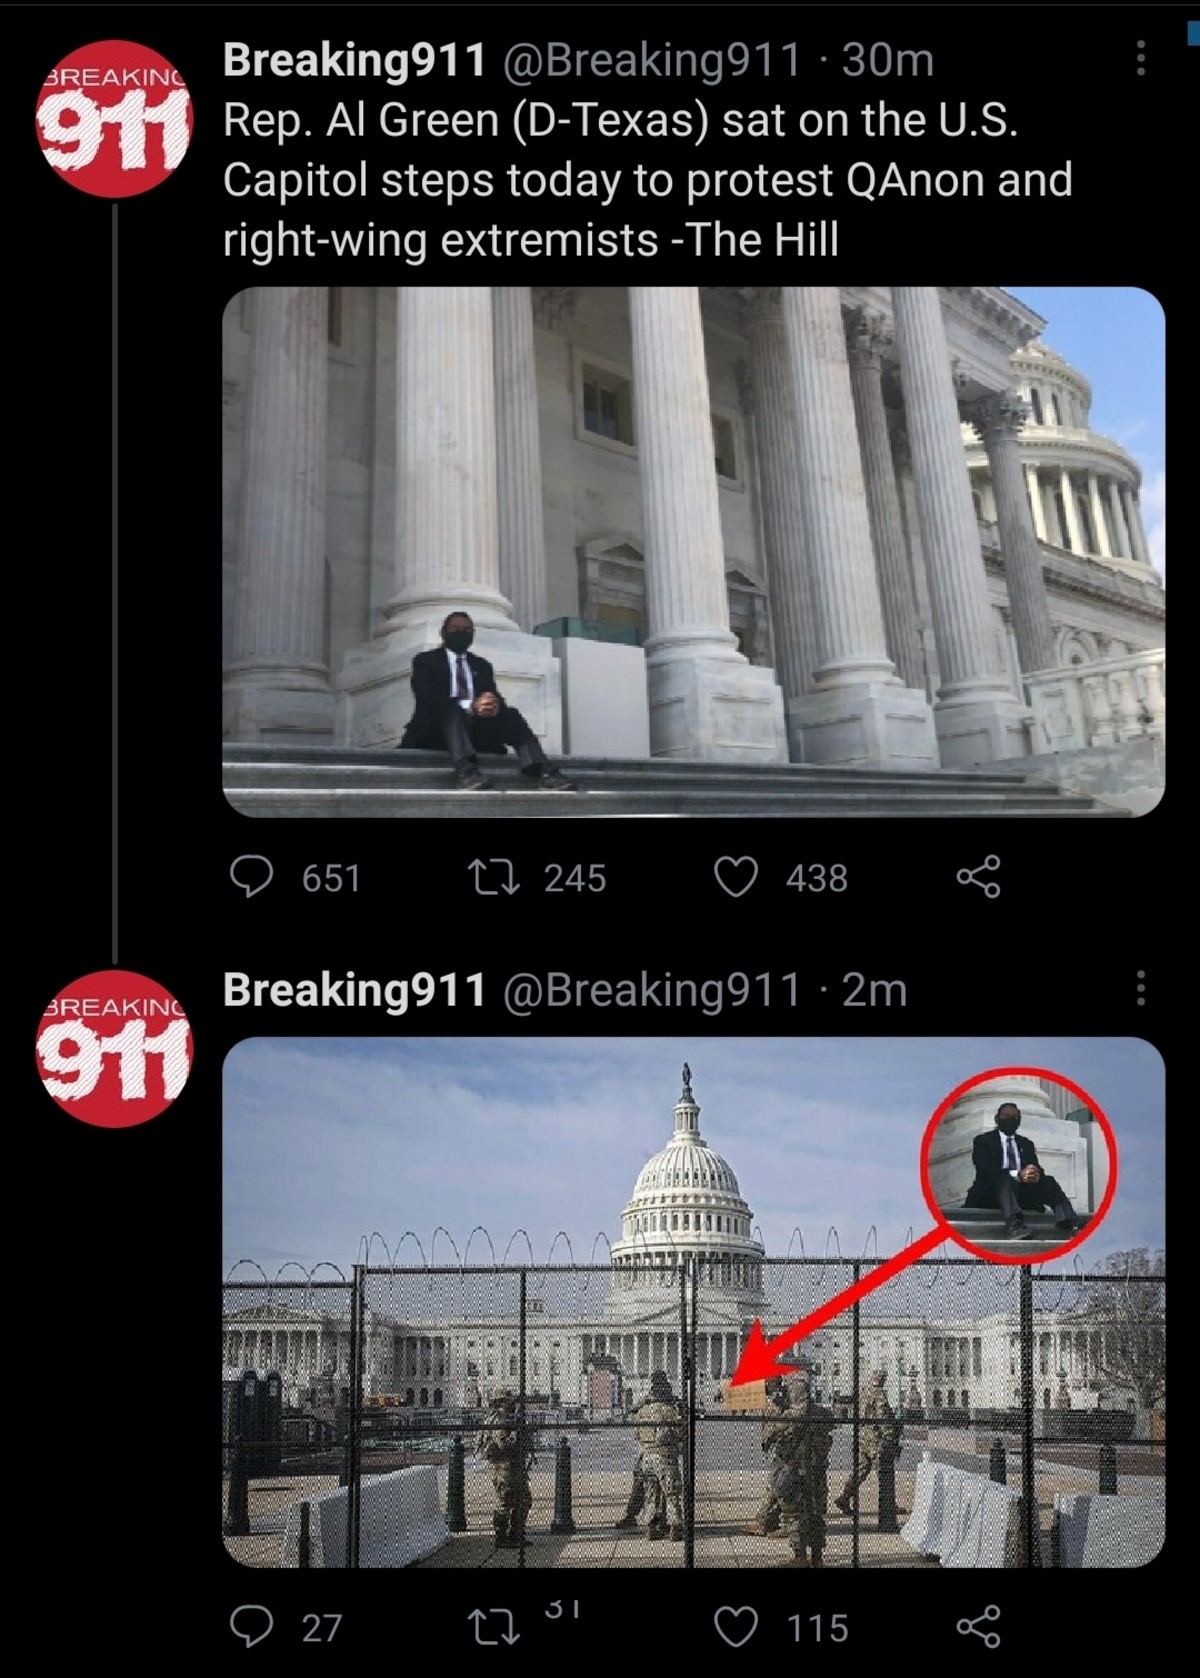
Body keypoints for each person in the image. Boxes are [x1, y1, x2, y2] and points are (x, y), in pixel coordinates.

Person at [398, 611, 577, 791]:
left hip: (476, 732)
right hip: (436, 732)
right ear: (443, 633)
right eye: (455, 629)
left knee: (511, 713)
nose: (461, 633)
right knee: (452, 708)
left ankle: (542, 770)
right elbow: (427, 699)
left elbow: (492, 695)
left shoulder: (481, 665)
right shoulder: (426, 661)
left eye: (467, 630)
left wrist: (494, 706)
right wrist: (470, 706)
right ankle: (466, 772)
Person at [963, 1101, 1085, 1240]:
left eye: (1015, 1117)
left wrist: (1035, 1174)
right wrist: (1017, 1175)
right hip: (991, 1195)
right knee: (1004, 1176)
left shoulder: (1026, 1143)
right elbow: (984, 1171)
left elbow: (1035, 1167)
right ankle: (1014, 1226)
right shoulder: (983, 1141)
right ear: (997, 1119)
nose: (1011, 1120)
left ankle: (1070, 1223)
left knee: (1048, 1180)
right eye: (1007, 1116)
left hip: (1021, 1195)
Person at [762, 1368, 835, 1568]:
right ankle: (817, 1557)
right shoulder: (821, 1413)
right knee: (816, 1513)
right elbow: (832, 1423)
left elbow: (766, 1440)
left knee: (794, 1514)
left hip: (795, 1471)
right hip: (817, 1471)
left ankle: (800, 1555)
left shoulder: (786, 1417)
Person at [623, 1370, 683, 1541]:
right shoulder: (671, 1411)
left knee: (651, 1495)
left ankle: (650, 1528)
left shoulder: (643, 1411)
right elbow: (680, 1434)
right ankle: (675, 1528)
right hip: (665, 1456)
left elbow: (636, 1430)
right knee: (672, 1494)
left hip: (647, 1456)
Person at [834, 1369, 900, 1515]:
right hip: (875, 1438)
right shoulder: (879, 1394)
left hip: (863, 1436)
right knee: (884, 1471)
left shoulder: (863, 1392)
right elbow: (883, 1417)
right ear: (881, 1379)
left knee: (860, 1470)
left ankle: (844, 1497)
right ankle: (889, 1506)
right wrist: (889, 1436)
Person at [476, 1389, 533, 1548]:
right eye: (509, 1401)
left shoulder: (507, 1419)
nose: (513, 1404)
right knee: (505, 1502)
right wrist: (516, 1432)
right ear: (501, 1402)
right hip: (502, 1467)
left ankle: (516, 1534)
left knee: (524, 1500)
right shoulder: (498, 1420)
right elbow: (504, 1444)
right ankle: (501, 1537)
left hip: (512, 1466)